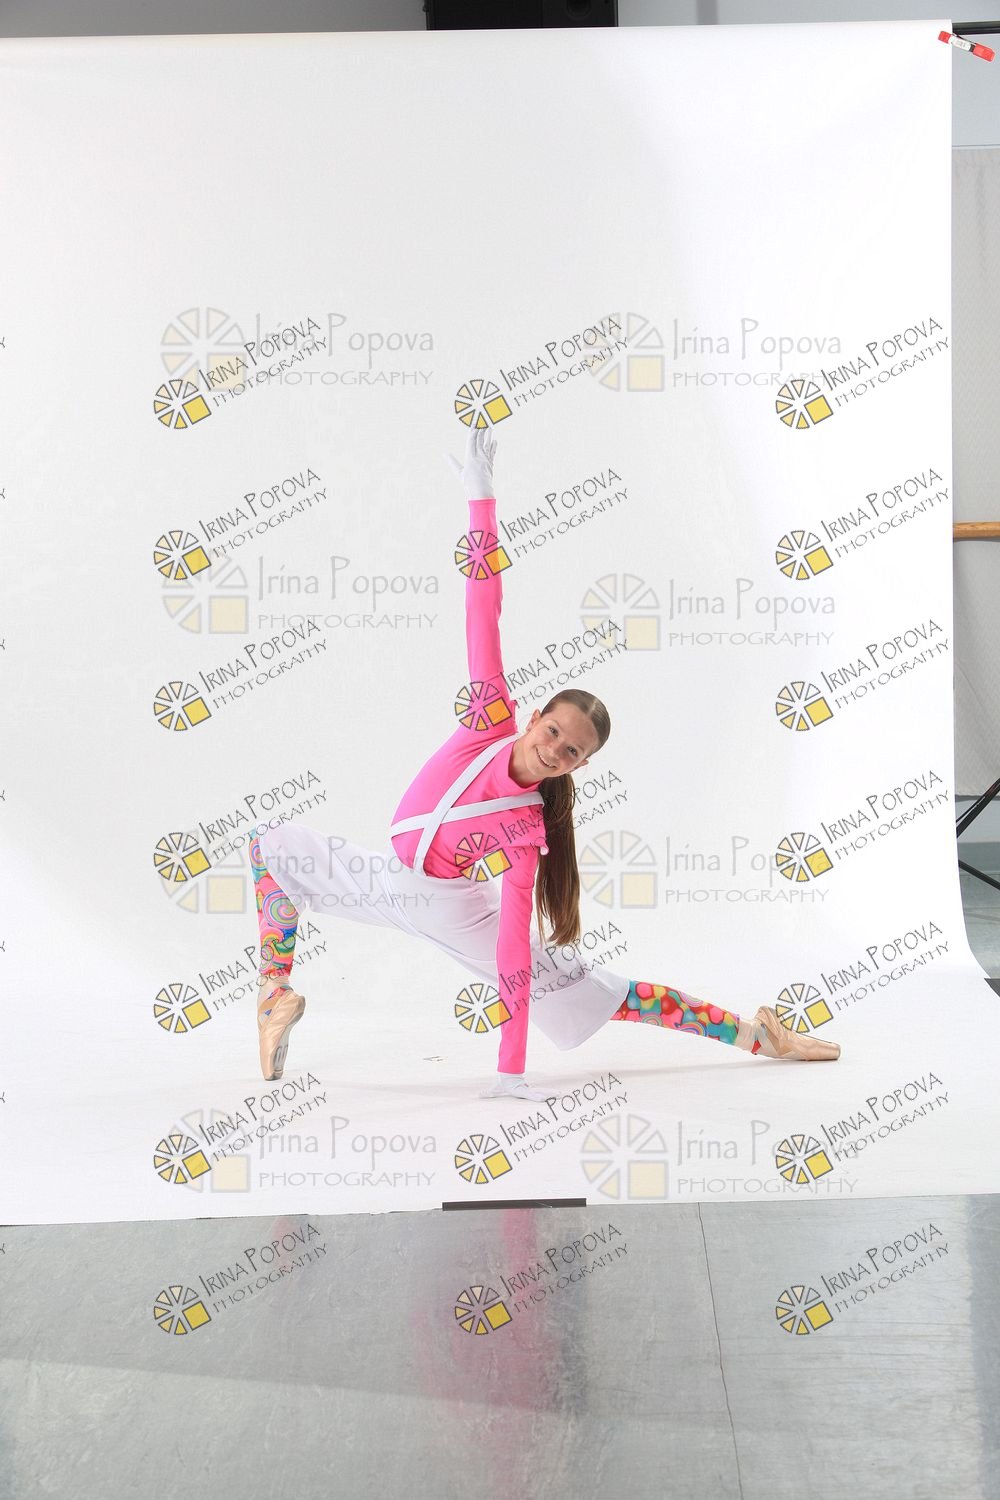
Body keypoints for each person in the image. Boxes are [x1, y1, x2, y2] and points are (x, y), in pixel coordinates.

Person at [250, 425, 841, 1102]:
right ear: (533, 717)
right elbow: (483, 608)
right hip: (388, 882)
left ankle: (760, 1036)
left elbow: (510, 951)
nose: (555, 748)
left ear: (578, 766)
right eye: (554, 731)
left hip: (452, 915)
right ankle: (274, 995)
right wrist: (480, 499)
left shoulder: (526, 829)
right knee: (273, 847)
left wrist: (510, 1071)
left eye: (572, 751)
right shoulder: (486, 721)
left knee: (611, 995)